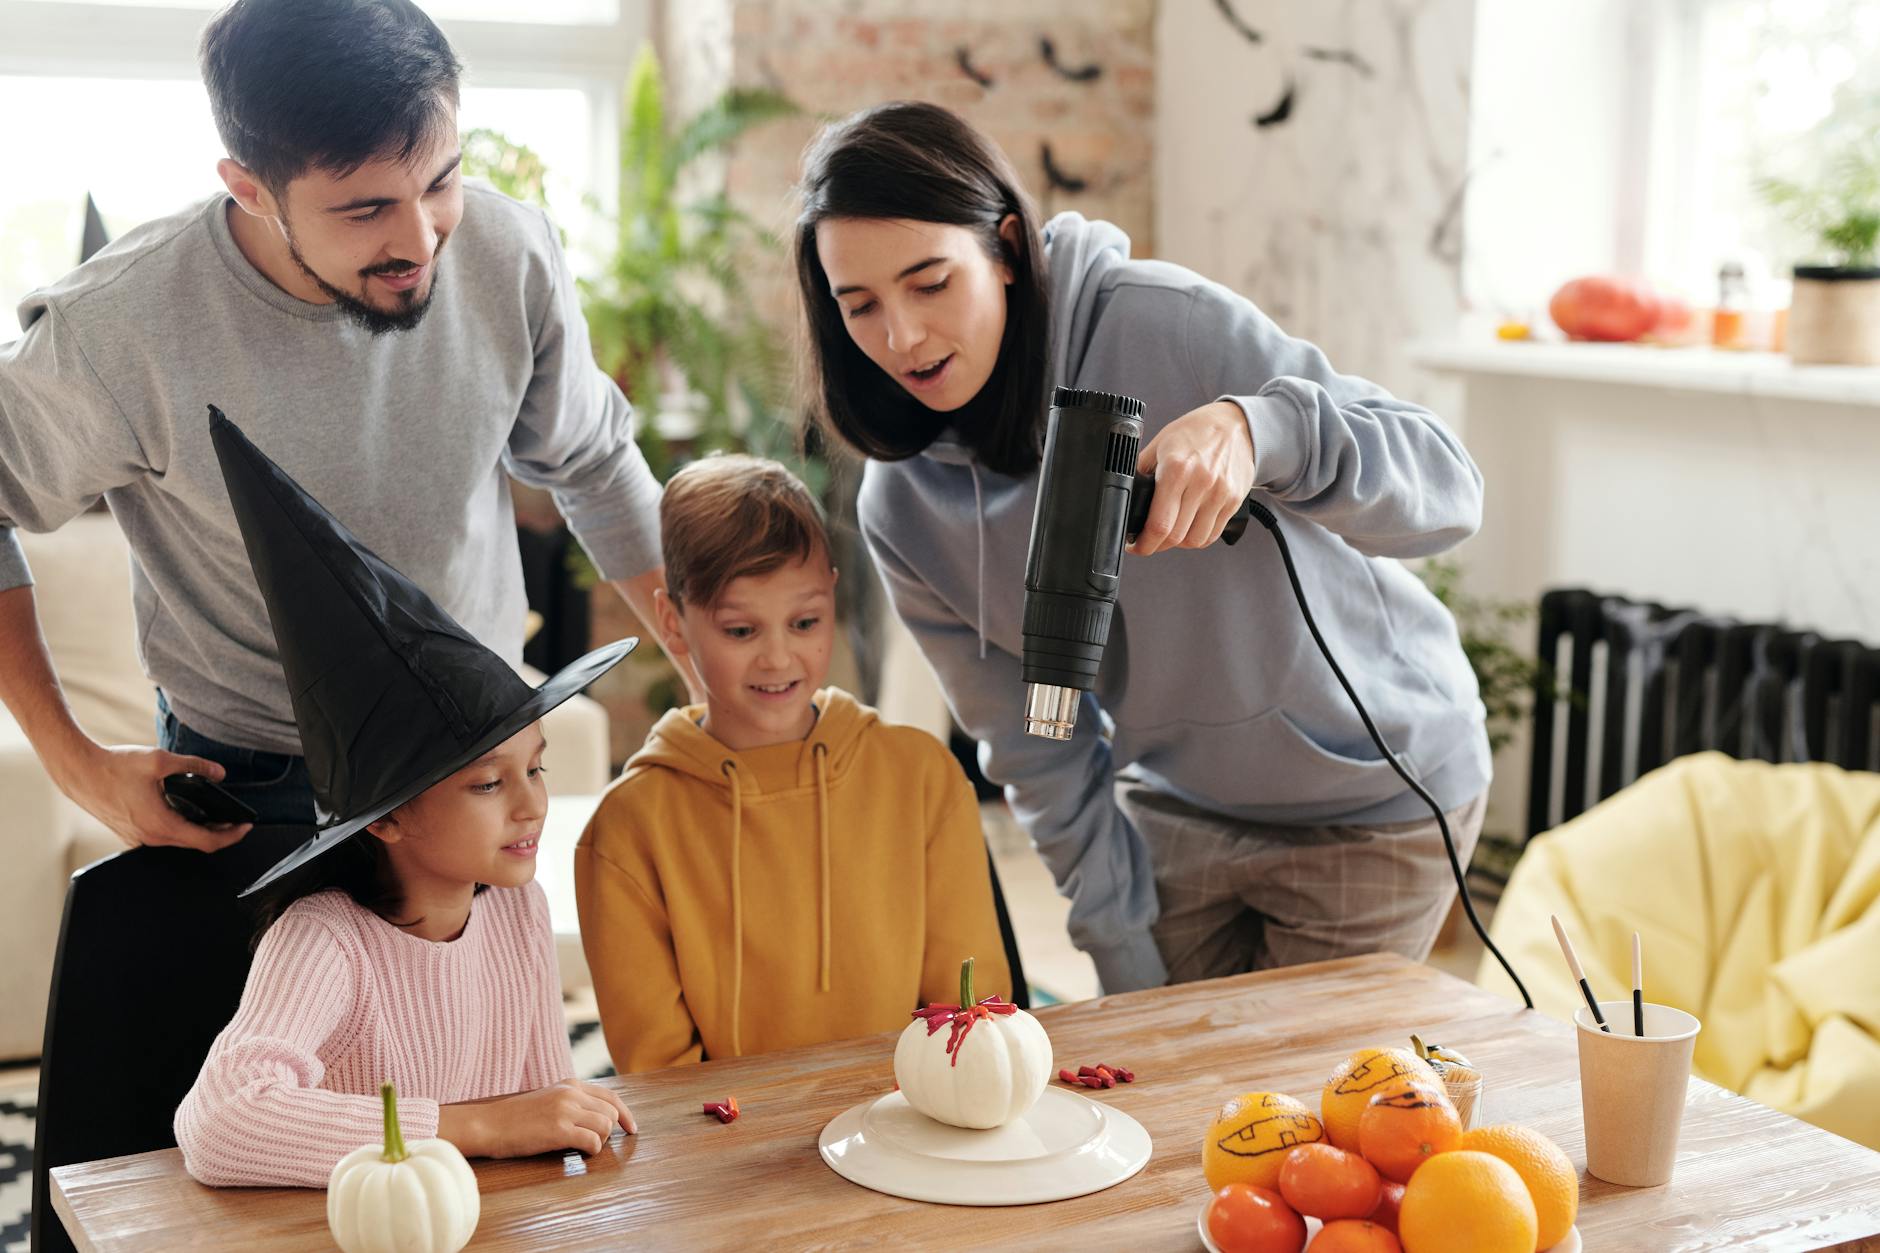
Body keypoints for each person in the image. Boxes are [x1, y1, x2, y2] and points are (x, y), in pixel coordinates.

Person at [794, 102, 1490, 995]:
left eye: (930, 282)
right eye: (861, 306)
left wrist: (1260, 429)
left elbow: (1449, 491)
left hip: (1376, 795)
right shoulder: (906, 507)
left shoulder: (1169, 327)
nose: (902, 337)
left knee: (1295, 1117)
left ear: (1005, 249)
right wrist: (1120, 953)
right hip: (1177, 804)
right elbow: (1035, 741)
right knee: (1158, 1100)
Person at [0, 0, 676, 854]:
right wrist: (74, 762)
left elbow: (595, 461)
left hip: (483, 751)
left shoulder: (515, 254)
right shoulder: (119, 326)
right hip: (251, 787)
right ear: (249, 186)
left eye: (440, 182)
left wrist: (708, 675)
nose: (421, 239)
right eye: (364, 211)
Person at [175, 412, 637, 1187]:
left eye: (537, 768)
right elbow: (218, 1124)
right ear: (386, 816)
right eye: (488, 782)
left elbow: (543, 1112)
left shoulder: (516, 909)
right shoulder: (325, 938)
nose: (530, 807)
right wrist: (475, 1125)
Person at [574, 454, 1011, 1074]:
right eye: (741, 631)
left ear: (833, 595)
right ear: (673, 623)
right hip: (731, 1158)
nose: (779, 658)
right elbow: (661, 1076)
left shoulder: (923, 780)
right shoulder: (627, 829)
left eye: (804, 622)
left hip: (915, 1138)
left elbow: (973, 1019)